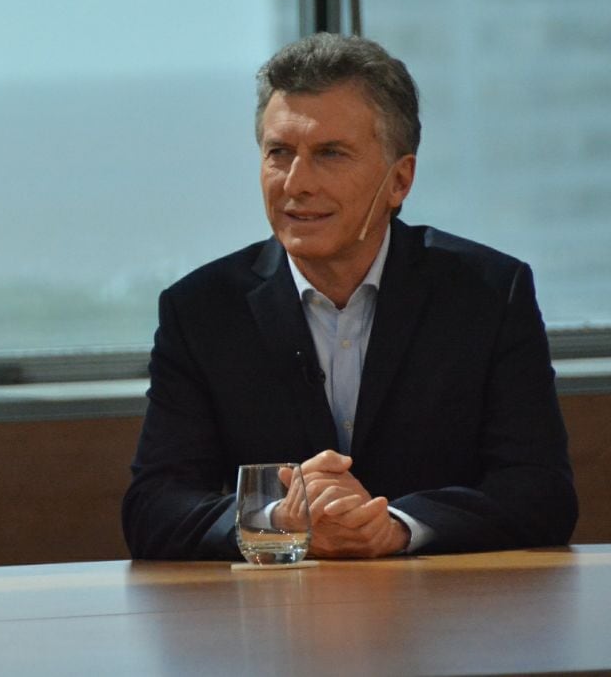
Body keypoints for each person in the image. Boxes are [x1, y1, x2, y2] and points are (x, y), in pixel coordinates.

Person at [122, 33, 578, 560]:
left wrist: (397, 526)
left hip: (445, 619)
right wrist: (281, 519)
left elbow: (541, 493)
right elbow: (153, 508)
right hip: (276, 629)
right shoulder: (201, 310)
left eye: (330, 154)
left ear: (399, 180)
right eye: (279, 153)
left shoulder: (490, 295)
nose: (296, 183)